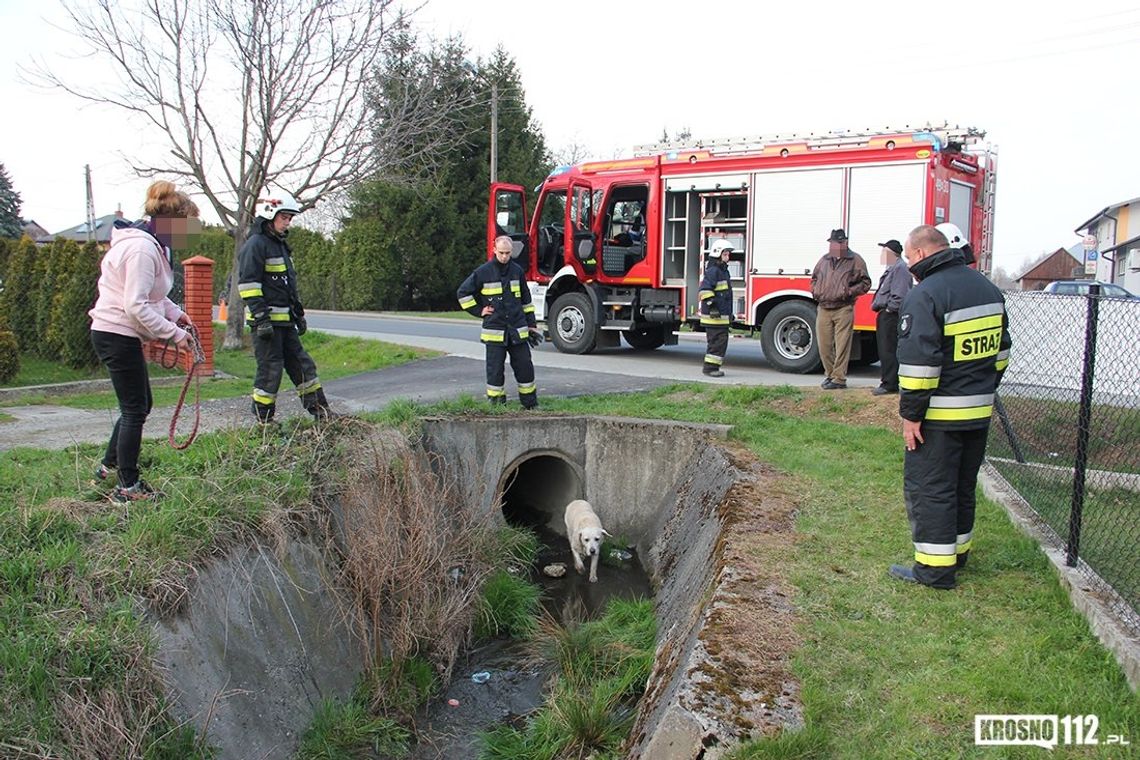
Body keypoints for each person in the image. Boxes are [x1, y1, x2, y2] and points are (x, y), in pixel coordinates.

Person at [889, 225, 1011, 589]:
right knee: (961, 485)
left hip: (939, 417)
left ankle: (935, 570)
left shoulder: (926, 294)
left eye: (910, 257)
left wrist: (911, 414)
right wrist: (983, 391)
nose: (909, 264)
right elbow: (1001, 352)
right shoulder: (987, 289)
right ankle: (958, 554)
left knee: (932, 488)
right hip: (978, 412)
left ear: (922, 254)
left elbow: (919, 366)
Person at [89, 180, 199, 502]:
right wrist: (176, 336)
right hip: (115, 333)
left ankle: (109, 467)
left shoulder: (152, 245)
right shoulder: (141, 249)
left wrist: (177, 313)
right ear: (172, 222)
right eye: (188, 225)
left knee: (139, 405)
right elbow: (135, 306)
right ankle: (128, 485)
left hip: (117, 333)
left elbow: (153, 296)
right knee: (136, 409)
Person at [238, 189, 332, 424]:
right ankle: (263, 421)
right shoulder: (256, 245)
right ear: (270, 214)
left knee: (302, 365)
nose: (287, 222)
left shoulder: (279, 245)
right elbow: (249, 286)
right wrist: (261, 318)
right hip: (267, 325)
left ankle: (321, 413)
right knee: (270, 371)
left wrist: (297, 314)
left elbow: (287, 285)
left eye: (290, 218)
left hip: (285, 323)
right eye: (284, 217)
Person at [457, 235, 541, 407]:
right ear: (494, 250)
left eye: (508, 253)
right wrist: (479, 310)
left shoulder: (517, 271)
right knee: (495, 371)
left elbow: (526, 300)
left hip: (517, 330)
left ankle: (530, 404)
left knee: (525, 368)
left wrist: (531, 325)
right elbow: (463, 293)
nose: (504, 256)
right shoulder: (483, 272)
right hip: (495, 332)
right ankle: (496, 405)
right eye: (501, 252)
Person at [811, 228, 871, 389]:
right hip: (823, 307)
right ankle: (830, 374)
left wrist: (848, 292)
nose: (834, 246)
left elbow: (866, 283)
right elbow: (814, 277)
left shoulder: (855, 260)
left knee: (842, 345)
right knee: (824, 345)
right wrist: (815, 291)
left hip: (843, 307)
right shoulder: (824, 260)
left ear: (844, 243)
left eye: (837, 243)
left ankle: (839, 378)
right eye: (832, 243)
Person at [869, 239, 911, 396]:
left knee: (889, 349)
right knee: (885, 348)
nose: (881, 255)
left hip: (891, 316)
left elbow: (899, 295)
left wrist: (888, 310)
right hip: (886, 314)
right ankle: (888, 381)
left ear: (892, 254)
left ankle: (889, 383)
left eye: (884, 252)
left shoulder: (900, 269)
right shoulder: (893, 268)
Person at [699, 239, 734, 377]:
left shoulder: (723, 271)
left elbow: (725, 296)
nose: (728, 256)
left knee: (720, 343)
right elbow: (704, 290)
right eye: (725, 254)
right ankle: (709, 368)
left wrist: (729, 314)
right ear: (718, 254)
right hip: (714, 317)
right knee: (716, 343)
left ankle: (714, 367)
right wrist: (712, 306)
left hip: (720, 317)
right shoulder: (713, 271)